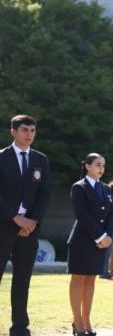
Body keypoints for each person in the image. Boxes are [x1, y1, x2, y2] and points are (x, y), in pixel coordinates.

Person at [0, 115, 51, 336]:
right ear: (13, 132)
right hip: (3, 226)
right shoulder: (2, 157)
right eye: (24, 130)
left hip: (29, 230)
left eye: (32, 130)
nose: (29, 134)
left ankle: (20, 328)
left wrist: (32, 221)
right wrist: (15, 217)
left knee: (22, 281)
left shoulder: (41, 160)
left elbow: (44, 194)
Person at [67, 153, 113, 336]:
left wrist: (108, 236)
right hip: (82, 241)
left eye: (103, 165)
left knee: (91, 281)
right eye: (97, 164)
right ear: (87, 166)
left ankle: (87, 320)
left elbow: (110, 215)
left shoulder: (106, 189)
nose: (101, 168)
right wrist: (100, 236)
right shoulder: (79, 187)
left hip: (100, 242)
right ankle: (77, 321)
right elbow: (82, 216)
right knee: (79, 279)